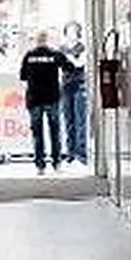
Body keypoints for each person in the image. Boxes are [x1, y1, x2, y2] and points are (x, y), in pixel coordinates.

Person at [18, 30, 75, 172]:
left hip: (34, 98)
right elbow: (70, 68)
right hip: (52, 97)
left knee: (37, 134)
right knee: (55, 132)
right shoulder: (55, 54)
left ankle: (40, 165)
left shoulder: (29, 56)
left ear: (36, 41)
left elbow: (23, 76)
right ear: (47, 40)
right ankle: (56, 163)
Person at [58, 21, 88, 164]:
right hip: (65, 86)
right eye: (69, 31)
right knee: (68, 119)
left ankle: (81, 152)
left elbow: (79, 64)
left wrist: (67, 58)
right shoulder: (61, 48)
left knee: (80, 119)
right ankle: (70, 152)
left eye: (75, 31)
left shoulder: (82, 47)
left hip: (79, 85)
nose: (72, 34)